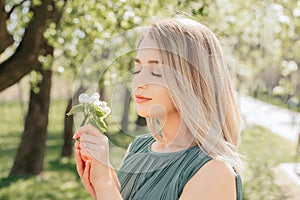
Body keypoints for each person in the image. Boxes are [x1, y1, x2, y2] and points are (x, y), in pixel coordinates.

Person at [74, 16, 243, 200]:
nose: (138, 82)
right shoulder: (139, 148)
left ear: (191, 80)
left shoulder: (214, 172)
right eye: (137, 69)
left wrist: (105, 183)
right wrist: (102, 188)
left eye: (157, 71)